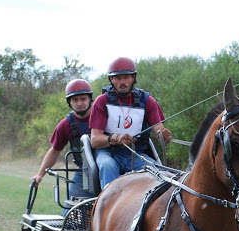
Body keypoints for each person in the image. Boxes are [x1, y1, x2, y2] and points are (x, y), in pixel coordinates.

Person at [89, 57, 172, 189]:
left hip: (136, 154)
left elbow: (159, 129)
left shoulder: (148, 101)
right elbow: (94, 140)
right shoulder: (102, 101)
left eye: (126, 77)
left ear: (133, 78)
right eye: (118, 78)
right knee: (107, 165)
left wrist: (163, 135)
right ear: (111, 79)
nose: (122, 82)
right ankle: (107, 205)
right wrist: (114, 138)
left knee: (161, 172)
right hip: (108, 153)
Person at [30, 79, 93, 202]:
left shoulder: (102, 117)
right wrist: (40, 175)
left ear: (90, 99)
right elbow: (54, 151)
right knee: (70, 213)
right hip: (83, 173)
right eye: (75, 100)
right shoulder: (65, 125)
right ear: (69, 102)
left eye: (83, 99)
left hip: (106, 171)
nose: (79, 103)